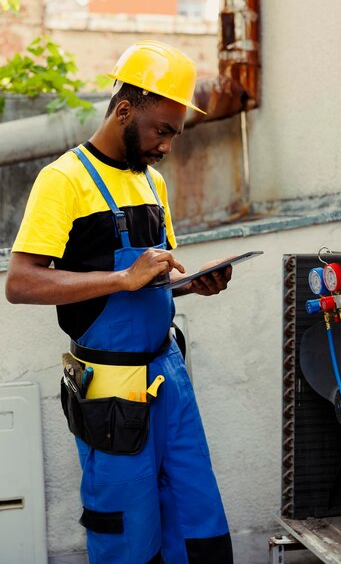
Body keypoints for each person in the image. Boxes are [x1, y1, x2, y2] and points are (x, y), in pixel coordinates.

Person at [5, 40, 234, 564]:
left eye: (175, 135)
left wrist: (188, 285)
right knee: (127, 530)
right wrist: (122, 279)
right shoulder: (63, 181)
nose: (167, 147)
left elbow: (149, 280)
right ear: (125, 110)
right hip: (111, 391)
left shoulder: (152, 184)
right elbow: (20, 283)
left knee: (193, 512)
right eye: (161, 131)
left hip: (167, 376)